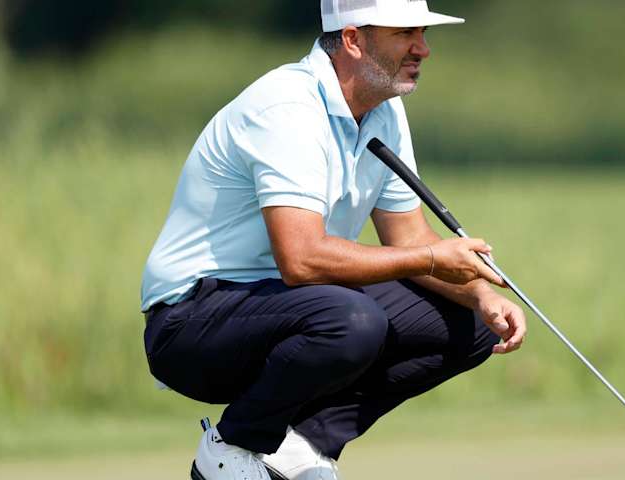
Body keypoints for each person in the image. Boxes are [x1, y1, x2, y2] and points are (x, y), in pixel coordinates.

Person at [140, 1, 527, 479]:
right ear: (352, 39)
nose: (423, 49)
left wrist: (481, 295)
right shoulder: (287, 106)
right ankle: (232, 446)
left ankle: (300, 447)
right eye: (405, 33)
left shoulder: (385, 111)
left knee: (472, 326)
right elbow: (301, 260)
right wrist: (430, 257)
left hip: (288, 307)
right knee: (353, 319)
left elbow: (408, 234)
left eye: (423, 34)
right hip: (192, 322)